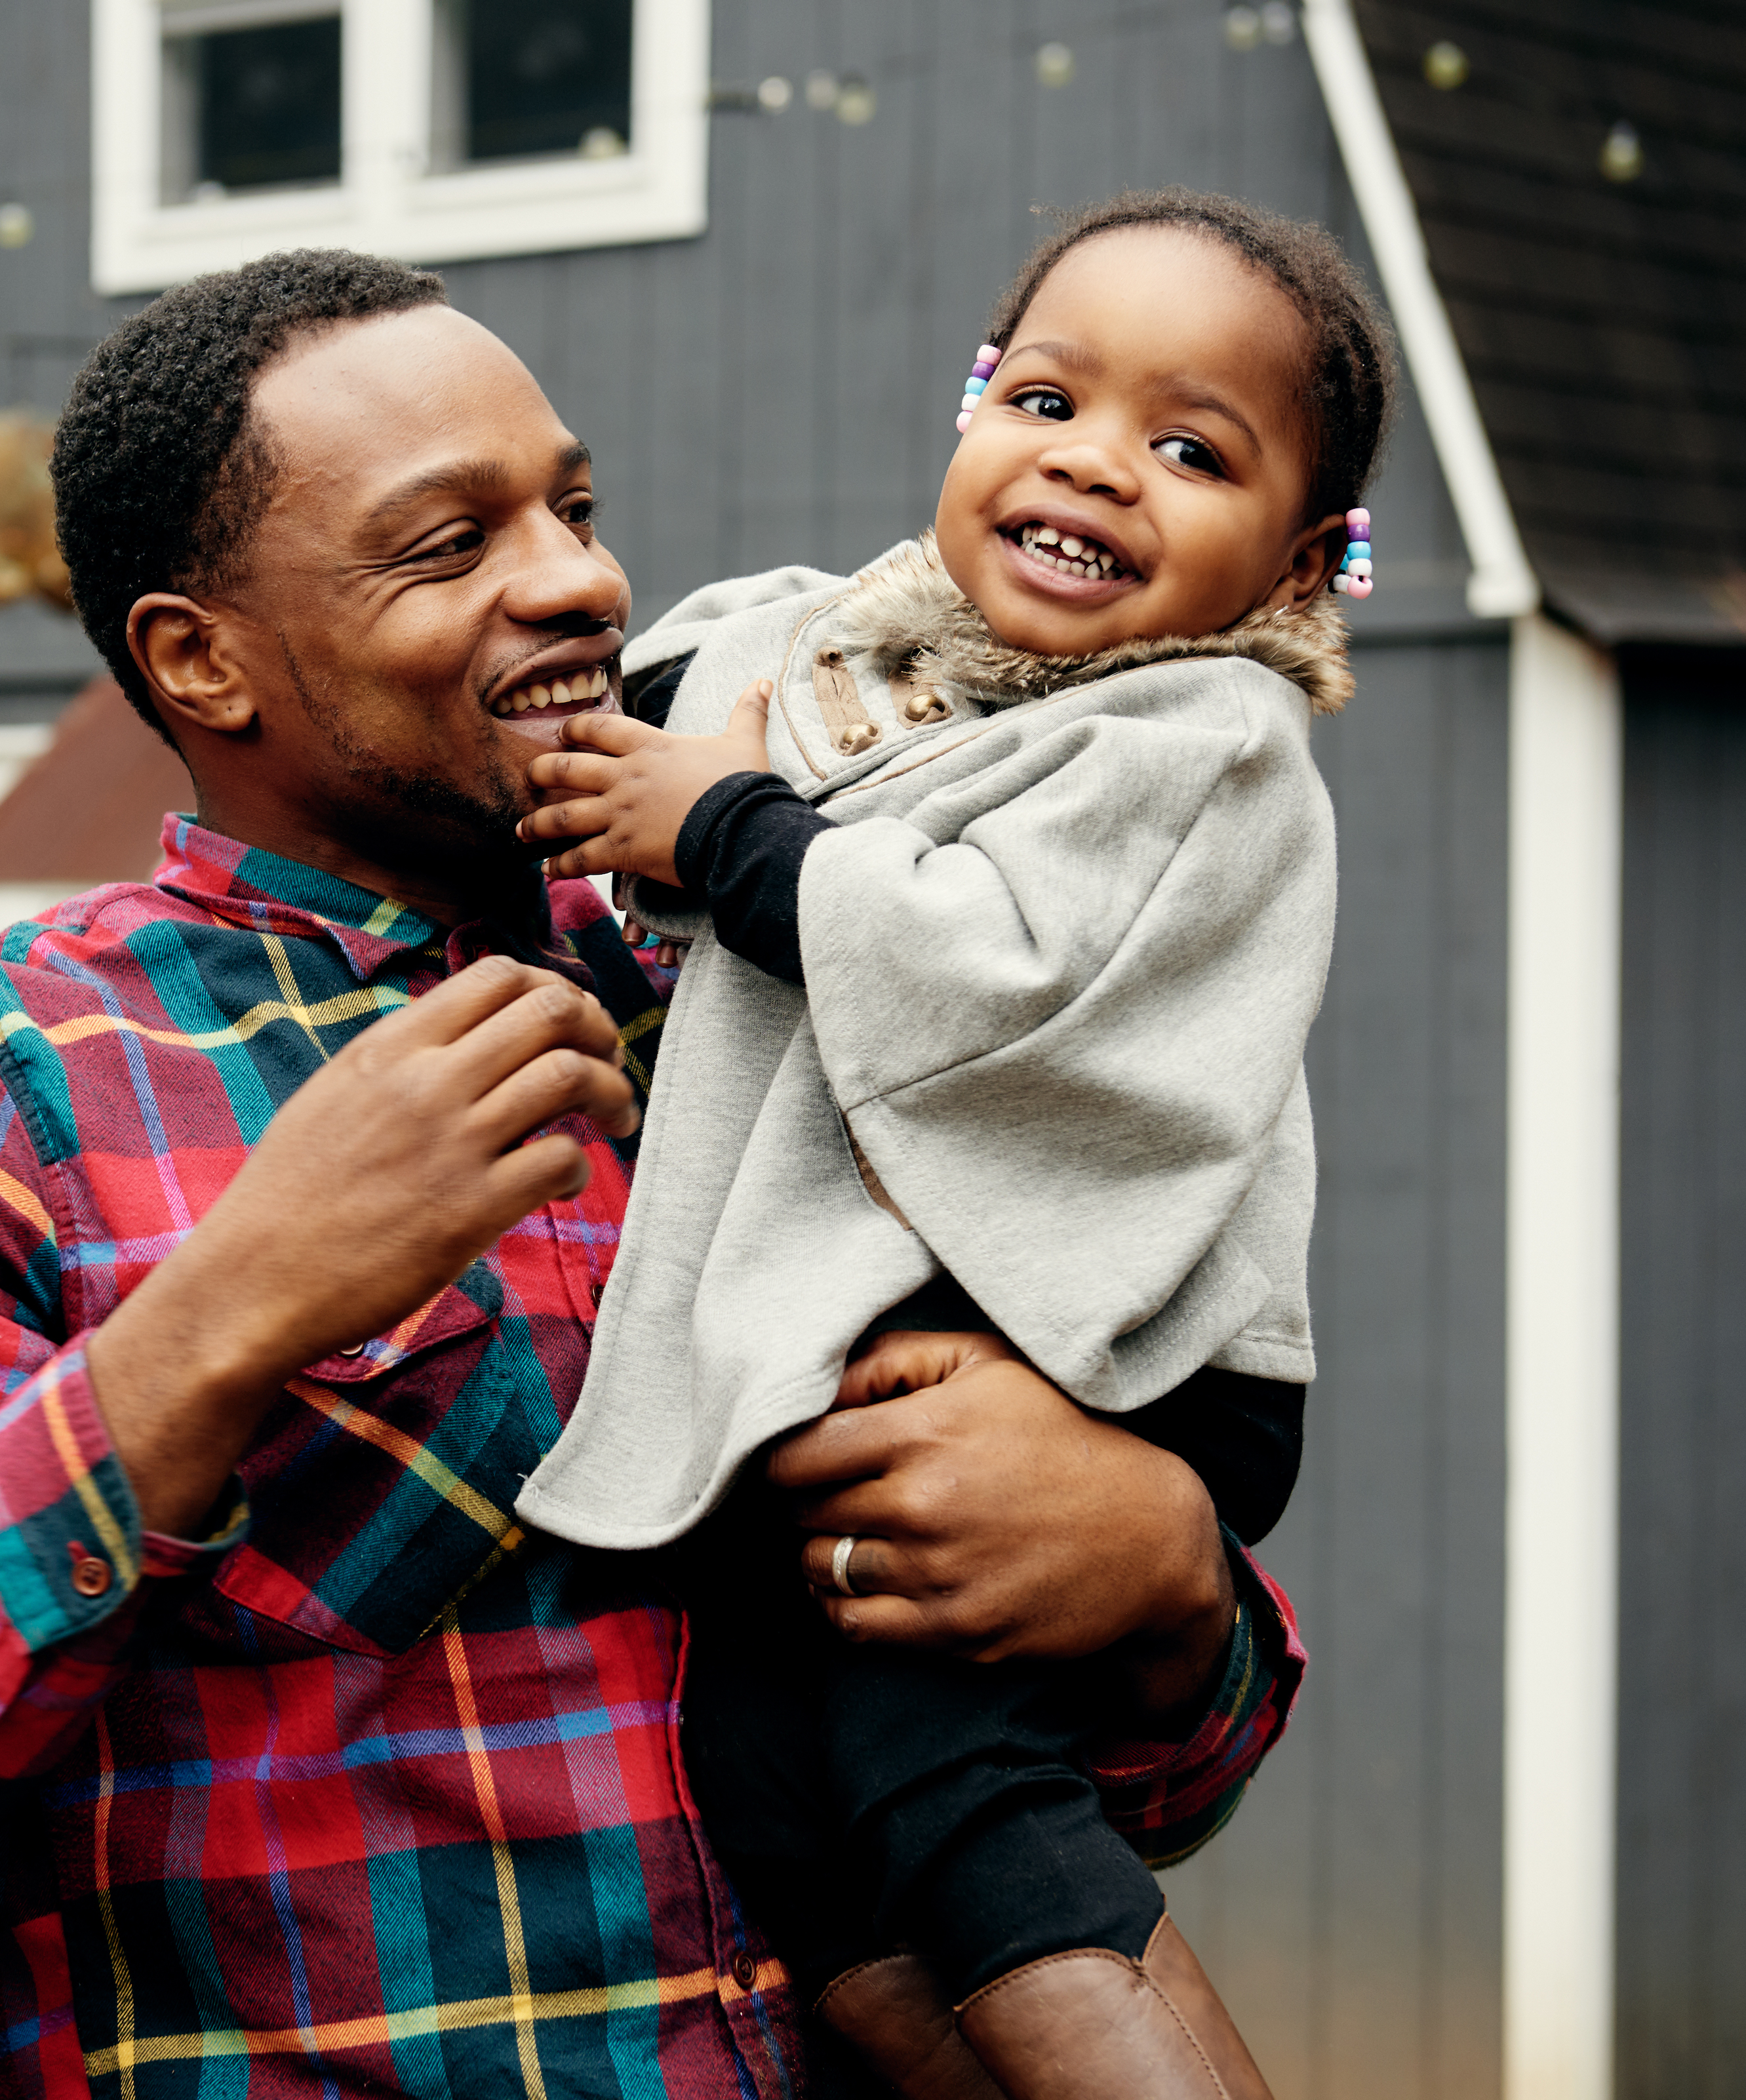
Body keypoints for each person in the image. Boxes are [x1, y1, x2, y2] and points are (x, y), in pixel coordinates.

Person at [0, 248, 1300, 2099]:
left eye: (571, 506)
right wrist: (223, 1320)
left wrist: (1166, 1586)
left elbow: (1128, 1779)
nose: (576, 578)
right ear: (200, 658)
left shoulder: (767, 964)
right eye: (448, 544)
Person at [507, 191, 1393, 2097]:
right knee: (765, 1779)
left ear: (1304, 561)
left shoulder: (1201, 741)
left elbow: (988, 963)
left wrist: (718, 826)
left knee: (946, 1770)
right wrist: (607, 721)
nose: (1094, 465)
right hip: (931, 1323)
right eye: (1050, 398)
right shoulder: (865, 657)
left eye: (1189, 447)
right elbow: (710, 692)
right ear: (972, 407)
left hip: (1126, 1353)